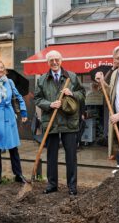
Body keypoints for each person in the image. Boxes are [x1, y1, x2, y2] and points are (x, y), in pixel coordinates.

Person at [34, 50, 85, 196]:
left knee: (71, 156)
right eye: (51, 60)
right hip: (51, 121)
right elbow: (37, 99)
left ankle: (72, 186)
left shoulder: (72, 77)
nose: (54, 62)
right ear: (47, 62)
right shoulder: (42, 79)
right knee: (51, 155)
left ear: (61, 60)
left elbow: (82, 94)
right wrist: (50, 104)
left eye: (57, 59)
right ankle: (52, 184)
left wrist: (72, 93)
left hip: (69, 122)